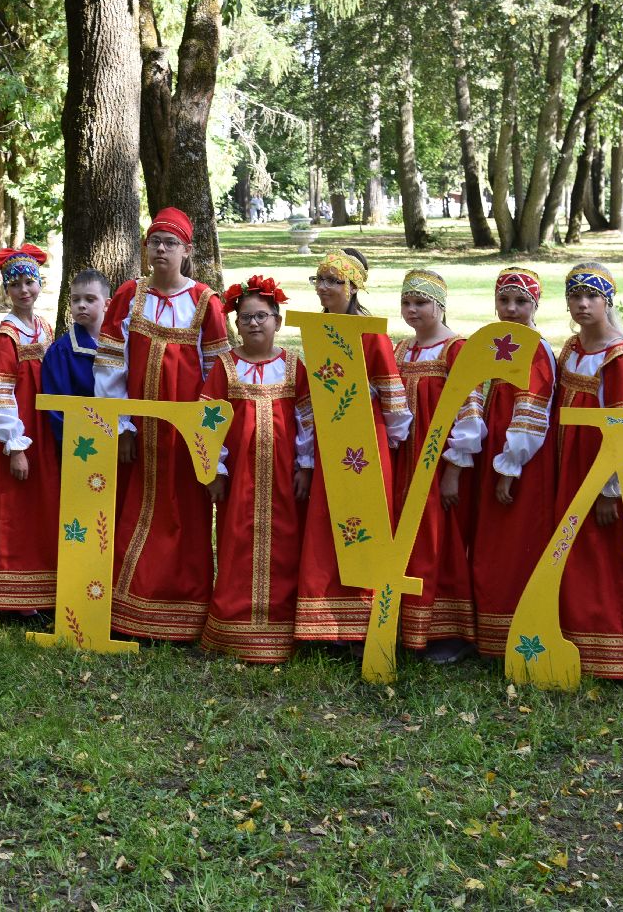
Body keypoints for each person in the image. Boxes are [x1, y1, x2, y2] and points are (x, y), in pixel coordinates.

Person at [96, 207, 230, 641]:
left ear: (186, 251)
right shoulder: (129, 296)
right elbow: (111, 364)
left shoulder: (206, 302)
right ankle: (129, 609)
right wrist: (122, 427)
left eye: (170, 243)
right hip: (140, 431)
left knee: (185, 515)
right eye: (154, 241)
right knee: (135, 510)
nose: (160, 249)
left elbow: (218, 371)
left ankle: (184, 612)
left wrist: (208, 438)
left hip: (186, 434)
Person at [292, 248, 412, 644]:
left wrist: (390, 442)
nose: (324, 288)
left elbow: (390, 390)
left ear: (353, 286)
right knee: (328, 517)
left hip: (365, 437)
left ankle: (364, 618)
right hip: (329, 434)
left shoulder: (369, 330)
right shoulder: (318, 327)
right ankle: (325, 619)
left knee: (364, 516)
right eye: (320, 279)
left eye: (333, 280)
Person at [201, 275, 313, 662]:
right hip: (241, 479)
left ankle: (283, 626)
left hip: (284, 476)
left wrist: (306, 466)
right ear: (235, 324)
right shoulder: (225, 367)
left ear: (278, 322)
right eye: (245, 317)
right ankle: (233, 627)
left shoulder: (295, 366)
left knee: (286, 544)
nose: (253, 324)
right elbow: (208, 422)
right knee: (236, 543)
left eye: (262, 316)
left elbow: (307, 421)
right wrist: (214, 470)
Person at [550, 263, 623, 680]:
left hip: (598, 471)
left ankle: (610, 651)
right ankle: (571, 638)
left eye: (592, 296)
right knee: (572, 553)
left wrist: (611, 489)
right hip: (567, 465)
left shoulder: (619, 356)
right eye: (575, 296)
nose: (582, 304)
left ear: (608, 300)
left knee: (602, 557)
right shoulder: (572, 348)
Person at [394, 269, 485, 661]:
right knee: (407, 538)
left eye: (421, 303)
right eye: (407, 303)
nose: (413, 310)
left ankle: (448, 633)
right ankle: (404, 626)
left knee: (440, 540)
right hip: (404, 463)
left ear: (440, 306)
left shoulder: (456, 349)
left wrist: (453, 469)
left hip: (438, 466)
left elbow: (470, 410)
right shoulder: (400, 350)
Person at [470, 268, 557, 659]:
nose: (511, 308)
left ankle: (519, 630)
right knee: (495, 540)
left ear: (536, 305)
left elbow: (531, 409)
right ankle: (493, 630)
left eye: (521, 301)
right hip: (499, 451)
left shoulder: (534, 347)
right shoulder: (503, 341)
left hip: (522, 458)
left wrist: (510, 465)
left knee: (517, 539)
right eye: (504, 300)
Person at [0, 245, 61, 615]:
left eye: (30, 282)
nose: (24, 290)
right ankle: (11, 594)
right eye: (15, 285)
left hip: (44, 432)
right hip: (19, 438)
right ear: (6, 290)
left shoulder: (43, 328)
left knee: (42, 507)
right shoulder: (5, 338)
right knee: (14, 509)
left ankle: (42, 589)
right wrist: (15, 446)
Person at [40, 269, 111, 449]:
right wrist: (75, 441)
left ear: (107, 304)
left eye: (90, 299)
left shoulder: (121, 344)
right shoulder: (61, 351)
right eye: (75, 299)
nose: (81, 305)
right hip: (82, 443)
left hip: (123, 439)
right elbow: (57, 404)